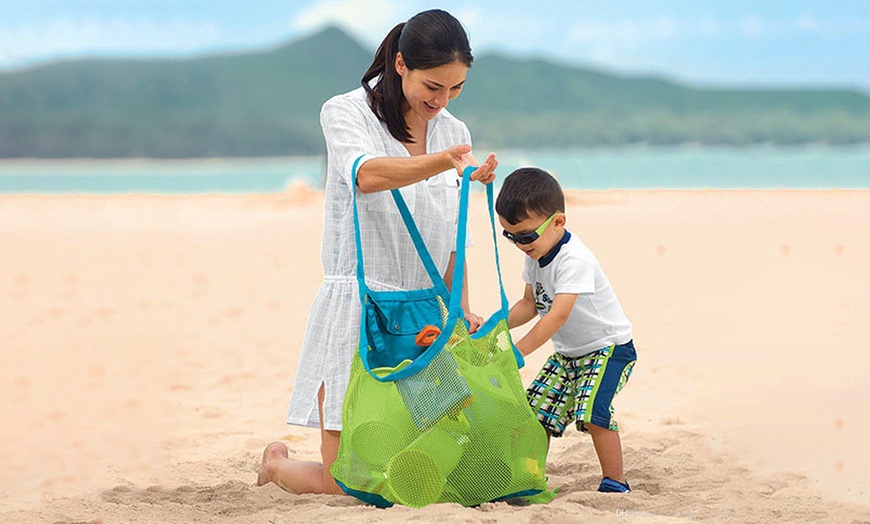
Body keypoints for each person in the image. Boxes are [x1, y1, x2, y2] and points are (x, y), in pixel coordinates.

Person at [257, 9, 497, 495]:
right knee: (350, 480)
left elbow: (455, 237)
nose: (442, 100)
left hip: (428, 316)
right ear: (402, 63)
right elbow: (365, 175)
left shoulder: (454, 132)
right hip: (359, 306)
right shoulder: (344, 112)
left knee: (440, 466)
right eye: (434, 86)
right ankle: (277, 465)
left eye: (455, 89)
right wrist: (443, 164)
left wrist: (462, 307)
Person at [495, 167, 636, 493]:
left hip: (609, 350)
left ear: (558, 222)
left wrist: (518, 352)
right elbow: (529, 304)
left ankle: (616, 481)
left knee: (593, 413)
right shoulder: (536, 253)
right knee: (536, 413)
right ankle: (530, 477)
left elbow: (556, 316)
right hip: (569, 354)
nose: (519, 244)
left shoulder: (574, 260)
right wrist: (495, 326)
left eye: (526, 235)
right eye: (510, 236)